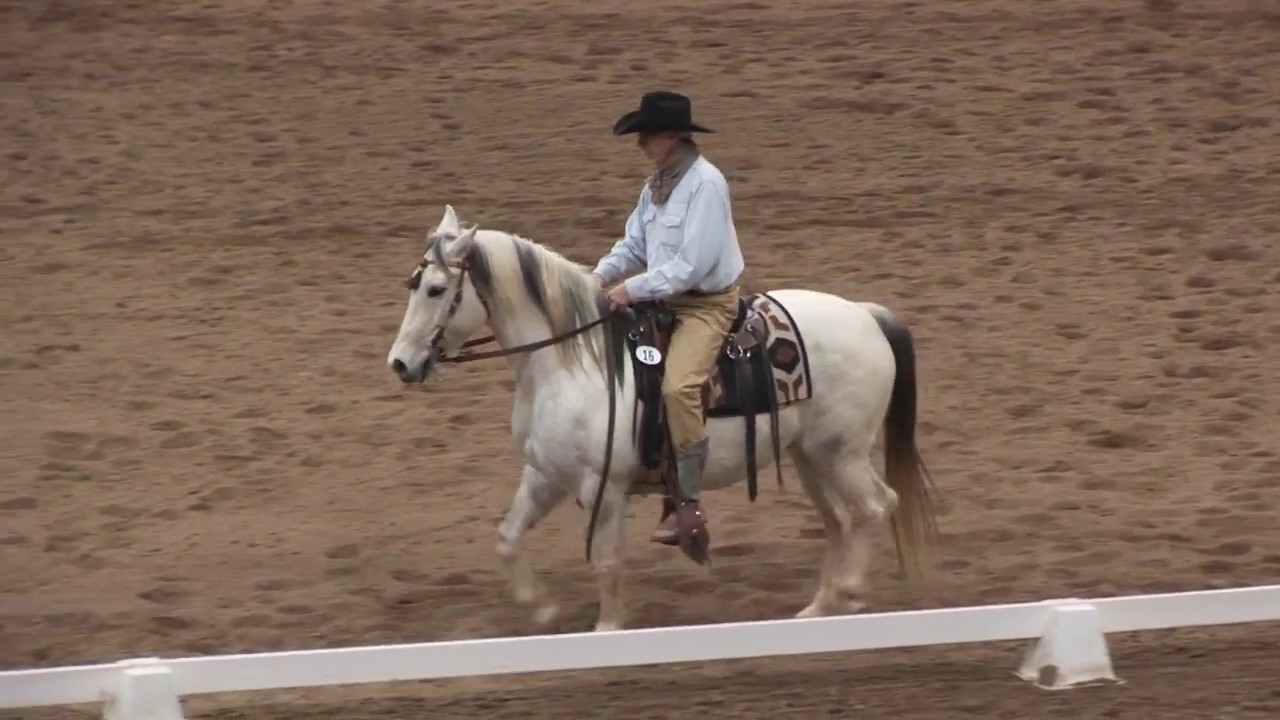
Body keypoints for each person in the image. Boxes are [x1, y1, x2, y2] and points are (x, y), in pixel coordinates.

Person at [591, 91, 746, 545]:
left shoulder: (706, 184)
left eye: (648, 135)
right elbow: (634, 246)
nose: (641, 143)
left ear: (674, 137)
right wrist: (597, 275)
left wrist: (629, 289)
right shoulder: (657, 184)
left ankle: (688, 503)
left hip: (706, 305)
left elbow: (691, 266)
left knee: (679, 387)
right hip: (663, 299)